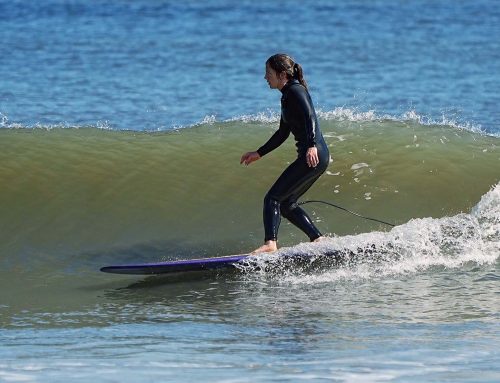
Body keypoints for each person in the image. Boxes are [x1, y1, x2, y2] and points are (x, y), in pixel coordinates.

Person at [240, 53, 330, 254]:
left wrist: (312, 145)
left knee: (272, 199)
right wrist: (259, 153)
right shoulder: (287, 96)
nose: (265, 77)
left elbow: (310, 117)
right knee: (287, 204)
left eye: (268, 73)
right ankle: (318, 238)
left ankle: (270, 243)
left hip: (313, 155)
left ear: (282, 75)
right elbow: (282, 133)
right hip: (317, 156)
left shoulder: (296, 91)